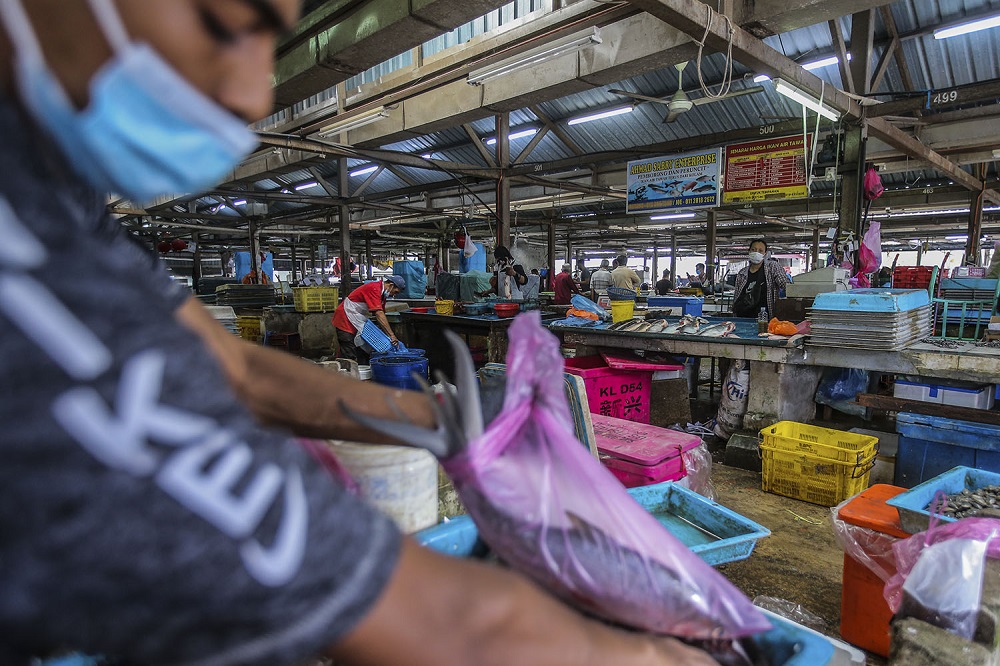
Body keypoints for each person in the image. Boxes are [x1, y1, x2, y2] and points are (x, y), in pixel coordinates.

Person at [0, 3, 718, 664]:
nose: (254, 95)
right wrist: (645, 654)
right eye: (222, 21)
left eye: (271, 40)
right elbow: (394, 601)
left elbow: (233, 366)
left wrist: (446, 420)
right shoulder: (28, 277)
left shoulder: (60, 204)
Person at [332, 275, 404, 363]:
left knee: (359, 348)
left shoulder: (382, 296)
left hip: (357, 318)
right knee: (348, 347)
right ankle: (344, 372)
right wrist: (391, 335)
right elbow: (379, 313)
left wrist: (386, 334)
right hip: (345, 317)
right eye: (395, 292)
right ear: (391, 285)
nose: (393, 295)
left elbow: (381, 315)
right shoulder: (374, 288)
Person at [732, 239, 789, 318]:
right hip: (743, 318)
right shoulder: (742, 273)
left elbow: (785, 284)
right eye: (753, 250)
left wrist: (795, 293)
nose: (756, 253)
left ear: (765, 254)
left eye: (760, 251)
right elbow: (737, 297)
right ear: (749, 251)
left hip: (765, 319)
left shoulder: (772, 267)